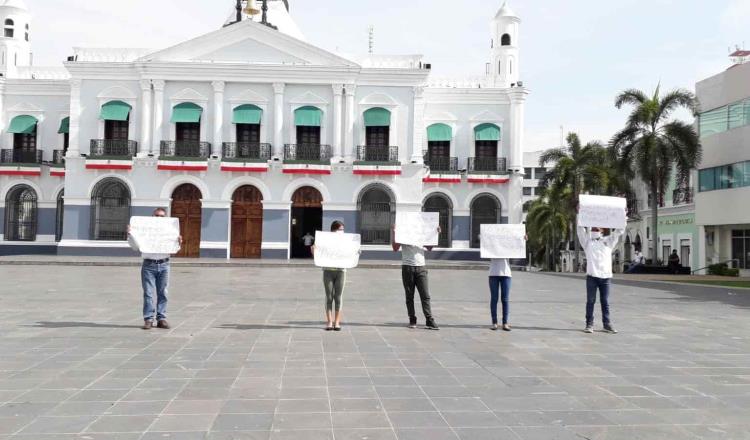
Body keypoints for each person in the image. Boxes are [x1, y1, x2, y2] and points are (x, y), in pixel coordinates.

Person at [127, 208, 182, 330]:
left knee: (163, 292)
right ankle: (148, 319)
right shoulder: (144, 230)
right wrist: (132, 235)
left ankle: (161, 318)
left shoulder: (170, 230)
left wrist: (178, 242)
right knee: (148, 293)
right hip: (149, 265)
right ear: (153, 217)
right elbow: (136, 247)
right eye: (157, 216)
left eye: (162, 216)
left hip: (164, 264)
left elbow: (175, 249)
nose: (159, 218)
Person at [392, 225, 440, 330]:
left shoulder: (421, 234)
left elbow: (429, 248)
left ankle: (429, 319)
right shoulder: (403, 234)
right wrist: (395, 232)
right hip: (407, 267)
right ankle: (412, 318)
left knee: (425, 295)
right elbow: (395, 248)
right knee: (409, 295)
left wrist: (435, 234)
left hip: (421, 267)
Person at [578, 225, 623, 334]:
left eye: (597, 229)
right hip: (592, 276)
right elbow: (580, 230)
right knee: (590, 301)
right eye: (593, 229)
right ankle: (589, 324)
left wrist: (623, 216)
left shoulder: (608, 242)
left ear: (602, 230)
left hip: (606, 277)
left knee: (605, 301)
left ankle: (606, 324)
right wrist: (579, 214)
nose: (594, 230)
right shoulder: (587, 242)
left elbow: (619, 230)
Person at [312, 221, 348, 331]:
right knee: (329, 296)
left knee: (338, 296)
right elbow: (318, 253)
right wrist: (314, 251)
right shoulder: (325, 240)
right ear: (333, 230)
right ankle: (329, 321)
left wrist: (356, 252)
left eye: (342, 229)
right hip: (328, 271)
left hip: (341, 271)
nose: (341, 231)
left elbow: (349, 252)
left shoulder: (346, 241)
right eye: (339, 229)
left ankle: (337, 322)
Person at [487, 234, 528, 331]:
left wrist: (523, 240)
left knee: (505, 299)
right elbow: (485, 251)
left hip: (506, 274)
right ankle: (494, 323)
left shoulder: (508, 245)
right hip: (493, 273)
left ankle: (505, 323)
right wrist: (483, 239)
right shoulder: (491, 245)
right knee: (494, 299)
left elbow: (517, 249)